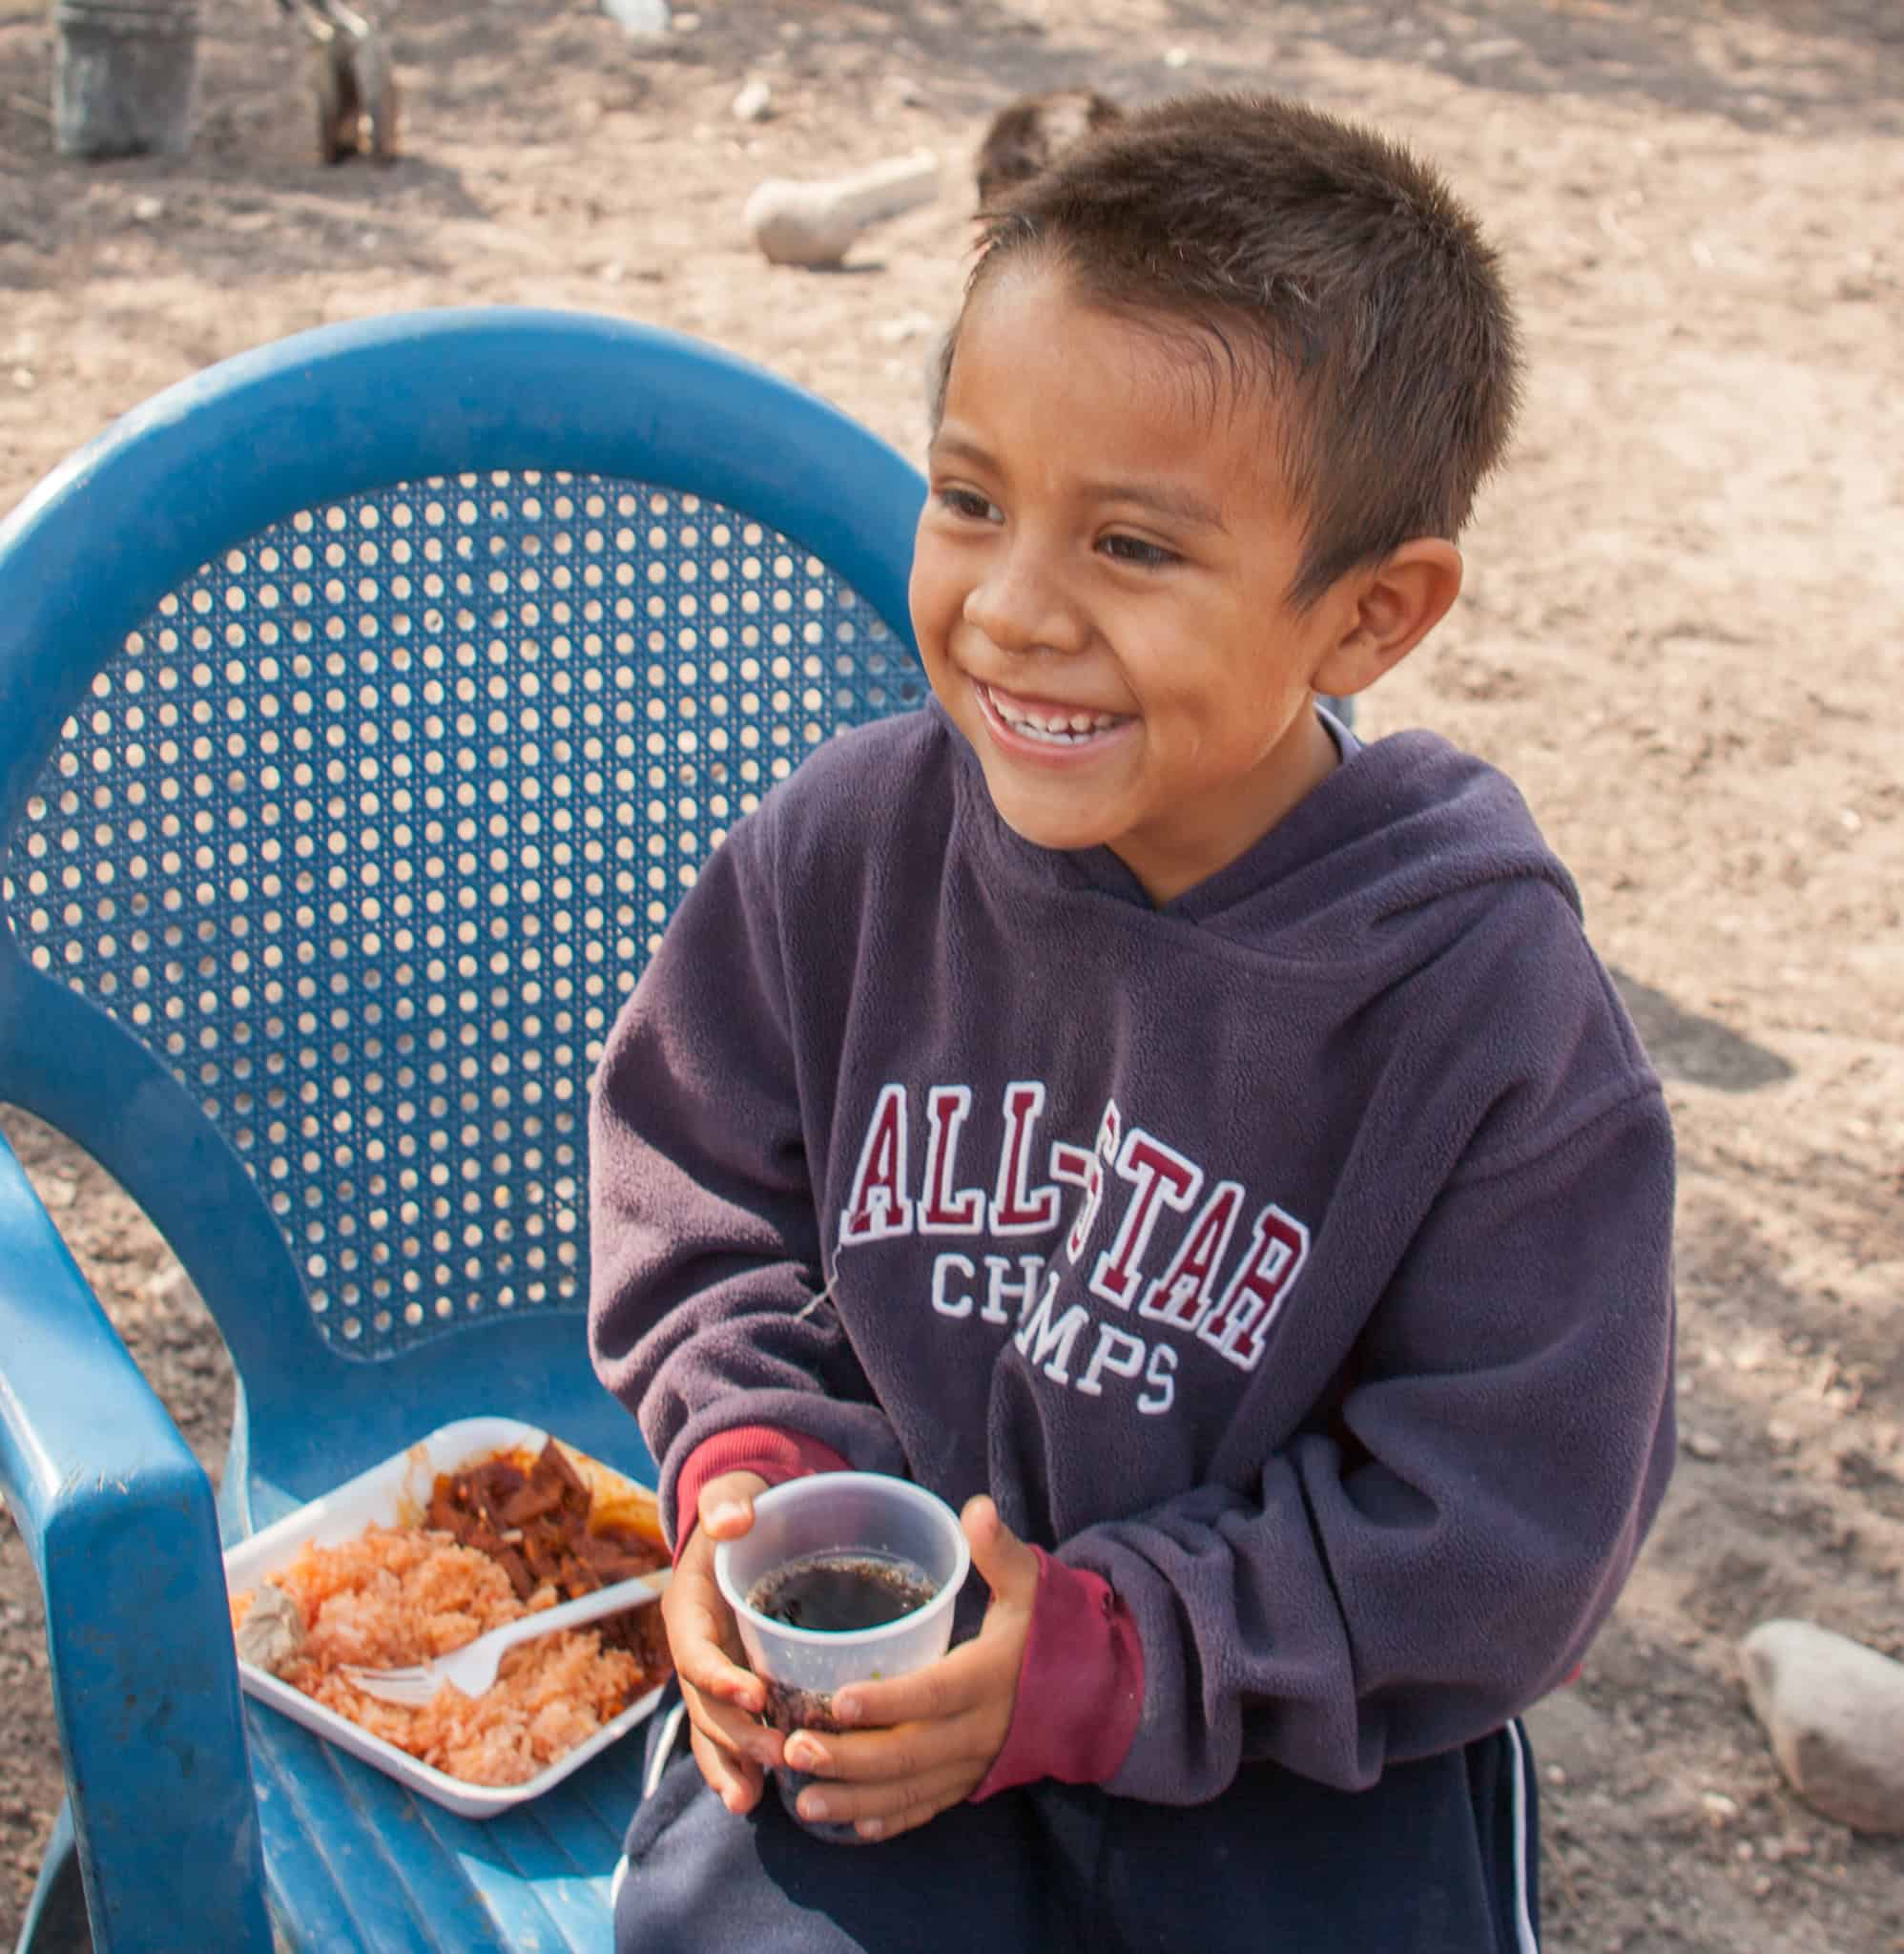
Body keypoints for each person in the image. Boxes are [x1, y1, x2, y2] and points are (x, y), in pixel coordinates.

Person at [590, 89, 1676, 1953]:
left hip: (1283, 1743)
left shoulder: (1478, 1003)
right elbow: (702, 1202)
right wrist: (756, 1483)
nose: (1010, 611)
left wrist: (1102, 1658)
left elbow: (1509, 1521)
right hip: (870, 1653)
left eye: (1134, 550)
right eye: (969, 499)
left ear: (1366, 617)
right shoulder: (842, 853)